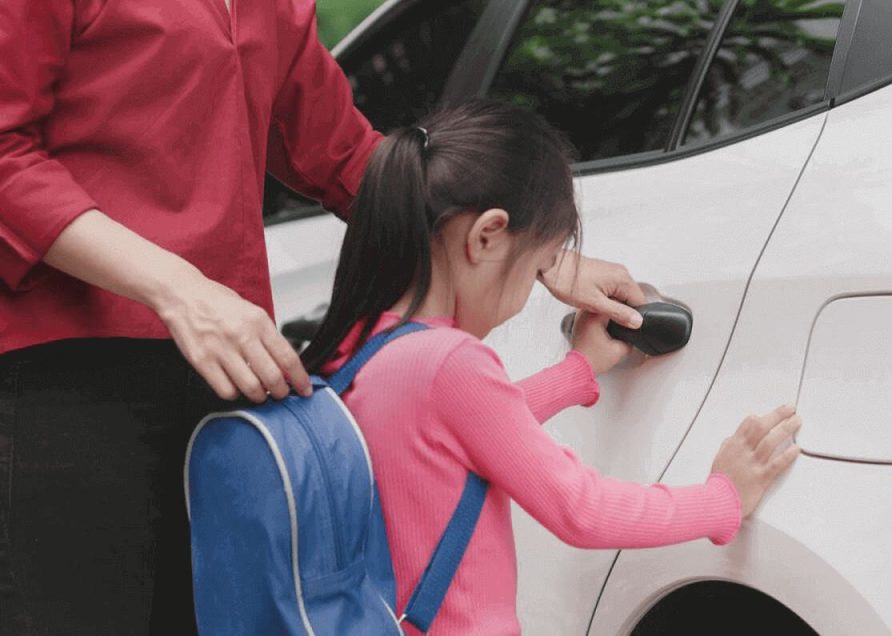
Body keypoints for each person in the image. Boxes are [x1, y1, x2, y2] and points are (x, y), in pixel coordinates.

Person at [0, 2, 646, 633]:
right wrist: (179, 288)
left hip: (234, 372)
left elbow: (345, 158)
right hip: (64, 366)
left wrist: (534, 252)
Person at [305, 99, 802, 635]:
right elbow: (579, 509)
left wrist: (577, 373)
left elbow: (469, 429)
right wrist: (721, 499)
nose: (525, 298)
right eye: (540, 267)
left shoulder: (363, 348)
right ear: (487, 236)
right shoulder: (448, 362)